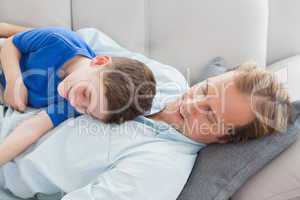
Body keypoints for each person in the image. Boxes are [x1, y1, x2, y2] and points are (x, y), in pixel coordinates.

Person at [0, 24, 291, 200]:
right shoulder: (166, 79)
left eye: (210, 115)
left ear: (225, 138)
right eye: (204, 90)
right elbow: (73, 46)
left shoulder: (158, 171)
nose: (189, 105)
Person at [0, 23, 156, 166]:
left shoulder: (75, 104)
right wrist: (14, 81)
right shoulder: (59, 42)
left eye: (87, 111)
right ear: (99, 62)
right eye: (86, 94)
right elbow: (11, 44)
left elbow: (33, 128)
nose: (75, 103)